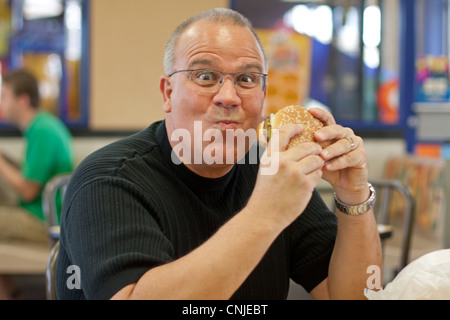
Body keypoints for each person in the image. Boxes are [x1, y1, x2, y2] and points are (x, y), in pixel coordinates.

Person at [56, 8, 382, 300]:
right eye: (205, 76)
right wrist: (266, 214)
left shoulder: (270, 171)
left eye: (246, 79)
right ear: (168, 93)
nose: (229, 97)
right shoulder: (108, 179)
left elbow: (356, 297)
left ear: (264, 97)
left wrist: (353, 197)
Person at [0, 69, 74, 299]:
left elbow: (29, 190)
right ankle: (9, 290)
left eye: (4, 96)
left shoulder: (42, 130)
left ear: (22, 100)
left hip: (46, 219)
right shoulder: (41, 126)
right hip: (43, 213)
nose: (1, 102)